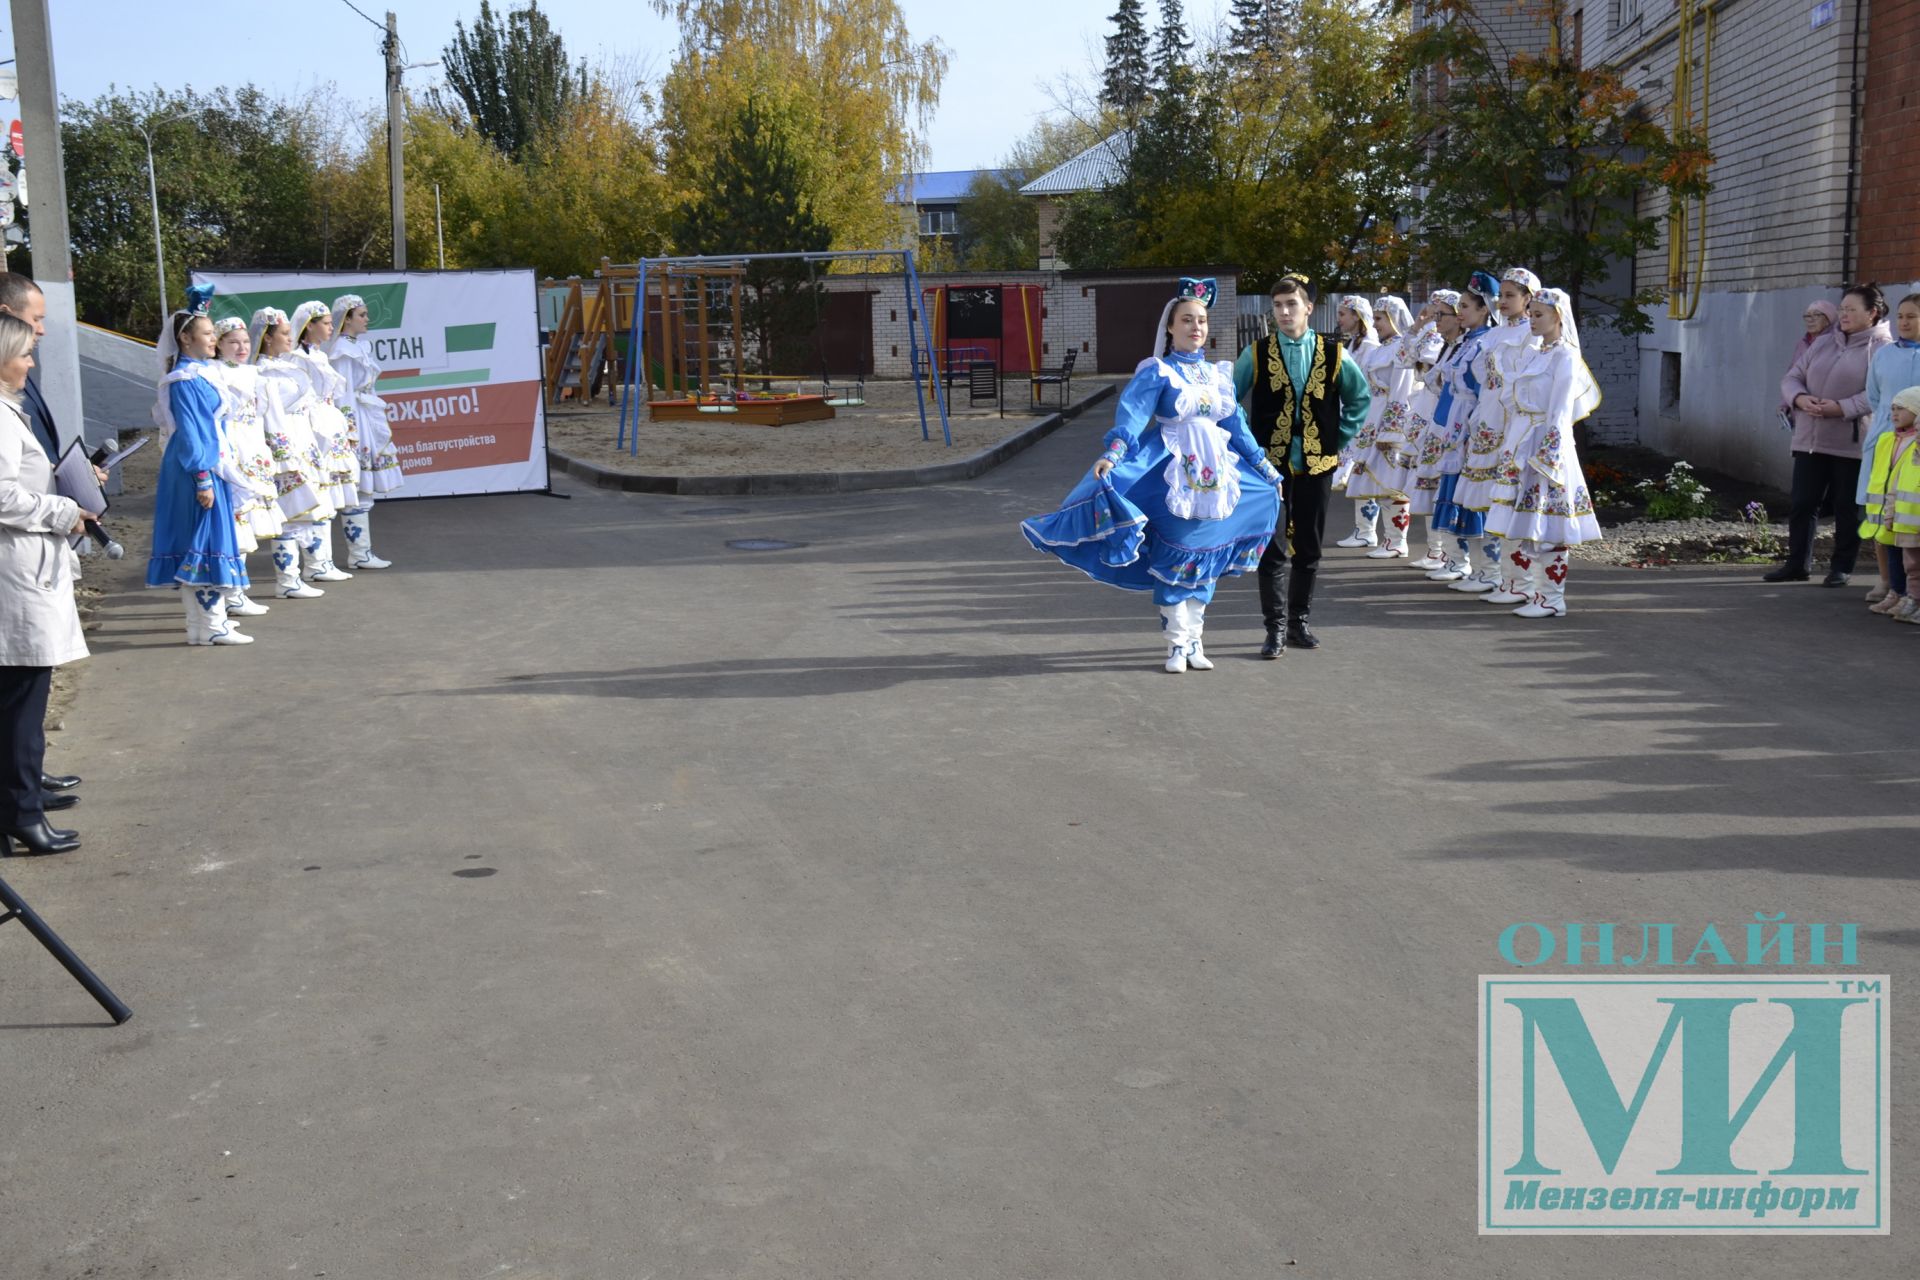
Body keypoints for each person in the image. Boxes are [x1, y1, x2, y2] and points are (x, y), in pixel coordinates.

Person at [1022, 278, 1282, 671]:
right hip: (1172, 472)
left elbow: (1237, 426)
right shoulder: (1158, 371)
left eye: (1202, 321)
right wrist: (1114, 453)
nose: (1197, 327)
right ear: (1171, 328)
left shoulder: (1219, 376)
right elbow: (1133, 416)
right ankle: (1177, 644)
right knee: (1177, 552)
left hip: (1219, 475)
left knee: (1206, 555)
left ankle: (1195, 642)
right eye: (1188, 320)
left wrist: (1264, 467)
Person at [1233, 273, 1371, 655]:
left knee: (1309, 547)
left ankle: (1299, 623)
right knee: (1272, 547)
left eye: (1291, 304)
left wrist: (1337, 438)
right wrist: (1249, 448)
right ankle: (1274, 629)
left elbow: (1359, 399)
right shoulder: (1256, 354)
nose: (1283, 312)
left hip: (1317, 462)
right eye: (1277, 305)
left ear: (1309, 308)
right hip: (1269, 469)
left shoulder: (1334, 353)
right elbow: (1229, 402)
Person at [0, 313, 93, 855]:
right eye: (24, 353)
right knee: (22, 704)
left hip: (24, 565)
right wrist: (60, 508)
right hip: (17, 571)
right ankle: (21, 812)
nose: (31, 362)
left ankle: (15, 808)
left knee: (19, 699)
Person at [1484, 288, 1604, 617]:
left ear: (1558, 317)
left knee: (1549, 525)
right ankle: (1532, 591)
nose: (1532, 320)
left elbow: (1561, 411)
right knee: (1525, 522)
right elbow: (1515, 397)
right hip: (1522, 441)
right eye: (1531, 313)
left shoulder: (1565, 356)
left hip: (1546, 446)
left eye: (1538, 314)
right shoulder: (1536, 353)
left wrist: (1548, 456)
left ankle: (1552, 598)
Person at [147, 289, 254, 645]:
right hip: (197, 467)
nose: (213, 340)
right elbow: (193, 432)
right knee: (204, 537)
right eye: (208, 334)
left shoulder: (199, 373)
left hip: (202, 462)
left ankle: (202, 623)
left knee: (200, 536)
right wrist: (204, 478)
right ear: (185, 338)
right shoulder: (186, 380)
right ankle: (211, 624)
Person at [1774, 283, 1893, 586]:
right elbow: (1792, 376)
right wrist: (1799, 399)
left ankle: (1842, 567)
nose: (1843, 315)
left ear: (1872, 313)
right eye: (1841, 309)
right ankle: (1797, 564)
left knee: (1846, 507)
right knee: (1803, 502)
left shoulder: (1882, 347)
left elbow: (1878, 393)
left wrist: (1840, 407)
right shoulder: (1824, 342)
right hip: (1810, 439)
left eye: (1851, 309)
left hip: (1851, 441)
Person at [1451, 267, 1542, 601]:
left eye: (1510, 295)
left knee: (1510, 500)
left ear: (1528, 298)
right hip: (1487, 421)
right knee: (1486, 500)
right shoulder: (1493, 335)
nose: (1502, 301)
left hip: (1512, 425)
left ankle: (1520, 581)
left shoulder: (1530, 335)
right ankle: (1492, 573)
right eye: (1500, 295)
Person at [1423, 273, 1501, 586]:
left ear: (1484, 310)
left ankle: (1489, 570)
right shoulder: (1466, 344)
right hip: (1456, 425)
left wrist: (1473, 430)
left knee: (1477, 496)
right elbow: (1438, 381)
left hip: (1473, 426)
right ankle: (1464, 562)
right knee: (1460, 495)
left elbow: (1485, 391)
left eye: (1466, 306)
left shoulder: (1483, 345)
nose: (1460, 312)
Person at [252, 307, 334, 600]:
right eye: (284, 334)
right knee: (288, 510)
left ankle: (307, 569)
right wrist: (281, 450)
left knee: (307, 506)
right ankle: (287, 580)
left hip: (302, 438)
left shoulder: (287, 367)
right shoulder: (262, 372)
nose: (290, 338)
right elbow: (269, 414)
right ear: (267, 338)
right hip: (283, 439)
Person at [203, 318, 282, 619]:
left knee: (248, 524)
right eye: (233, 342)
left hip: (252, 446)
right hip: (230, 446)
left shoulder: (255, 373)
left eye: (246, 342)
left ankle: (238, 591)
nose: (241, 348)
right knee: (235, 524)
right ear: (219, 344)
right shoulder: (213, 373)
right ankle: (231, 593)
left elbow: (265, 413)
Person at [1348, 298, 1438, 562]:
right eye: (1374, 318)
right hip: (1375, 417)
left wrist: (1392, 431)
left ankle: (1397, 541)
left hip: (1393, 421)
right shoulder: (1380, 349)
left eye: (1379, 319)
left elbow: (1401, 390)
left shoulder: (1401, 348)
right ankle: (1385, 537)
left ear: (1394, 319)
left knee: (1393, 484)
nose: (1374, 324)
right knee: (1379, 482)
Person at [1377, 294, 1460, 570]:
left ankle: (1447, 554)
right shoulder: (1432, 337)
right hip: (1425, 413)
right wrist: (1415, 329)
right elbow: (1404, 359)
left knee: (1438, 484)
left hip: (1443, 412)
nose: (1434, 319)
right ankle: (1435, 550)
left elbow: (1422, 363)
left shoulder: (1454, 344)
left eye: (1440, 314)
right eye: (1433, 313)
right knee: (1425, 483)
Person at [325, 294, 404, 569]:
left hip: (366, 414)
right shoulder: (342, 351)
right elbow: (343, 393)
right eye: (362, 315)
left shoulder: (358, 347)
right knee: (357, 484)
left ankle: (361, 551)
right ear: (347, 319)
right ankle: (358, 553)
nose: (367, 319)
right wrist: (348, 429)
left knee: (364, 486)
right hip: (355, 418)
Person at [286, 301, 358, 583]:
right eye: (326, 323)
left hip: (327, 425)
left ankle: (322, 560)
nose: (331, 327)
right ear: (309, 326)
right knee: (316, 492)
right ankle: (314, 562)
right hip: (311, 428)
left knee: (328, 494)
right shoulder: (296, 359)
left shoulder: (318, 355)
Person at [1859, 295, 1920, 608]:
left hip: (1916, 451)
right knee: (1880, 512)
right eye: (1900, 316)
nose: (1904, 322)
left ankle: (1910, 591)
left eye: (1912, 316)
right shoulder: (1884, 355)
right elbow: (1874, 396)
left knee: (1909, 516)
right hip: (1886, 441)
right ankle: (1888, 582)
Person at [1860, 385, 1920, 623]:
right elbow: (1891, 479)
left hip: (1911, 515)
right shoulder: (1887, 439)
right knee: (1905, 560)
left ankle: (1909, 597)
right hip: (1897, 513)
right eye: (1892, 409)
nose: (1893, 413)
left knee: (1913, 561)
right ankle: (1902, 594)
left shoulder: (1914, 442)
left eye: (1901, 408)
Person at [1329, 295, 1384, 547]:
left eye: (1342, 314)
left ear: (1356, 316)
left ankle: (1368, 530)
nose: (1339, 319)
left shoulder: (1371, 347)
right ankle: (1364, 529)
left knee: (1366, 473)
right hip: (1354, 416)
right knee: (1358, 474)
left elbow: (1368, 387)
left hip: (1367, 418)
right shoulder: (1354, 344)